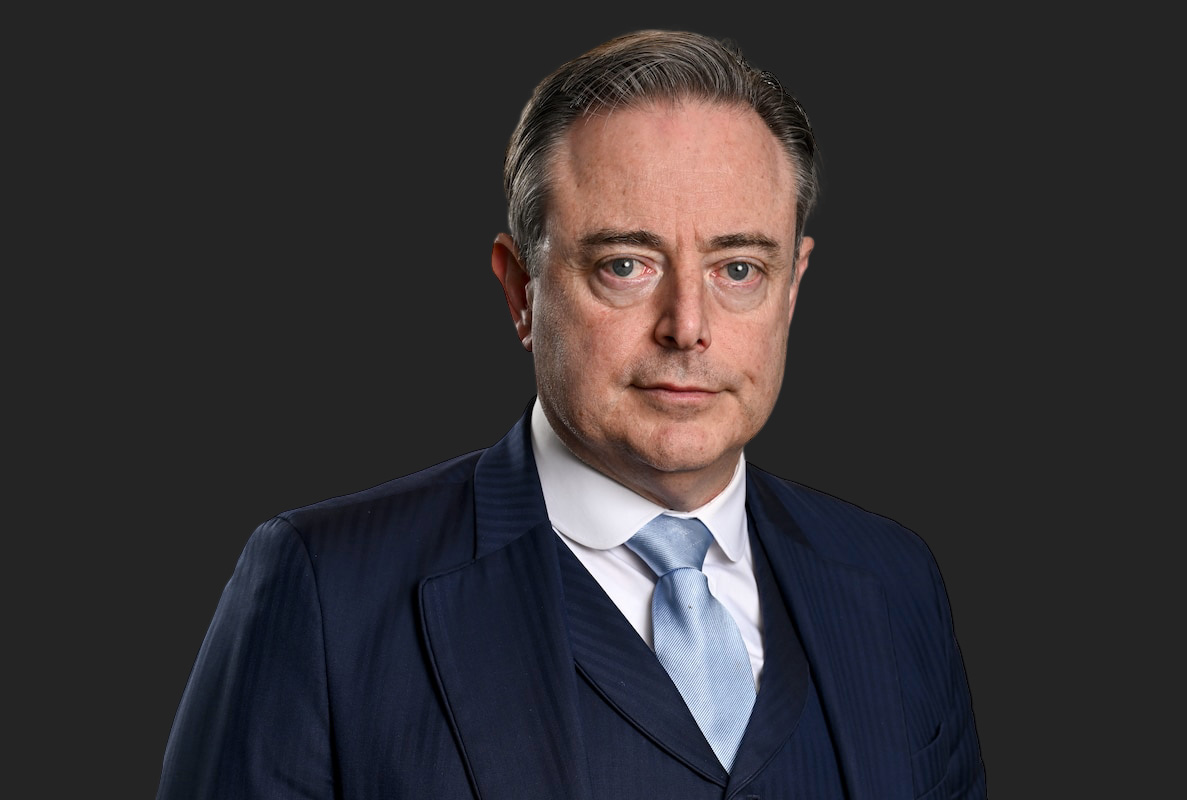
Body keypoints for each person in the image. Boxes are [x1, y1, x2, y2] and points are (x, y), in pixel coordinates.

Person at [158, 29, 986, 799]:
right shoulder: (327, 592)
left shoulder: (895, 582)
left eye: (738, 268)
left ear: (792, 286)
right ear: (521, 290)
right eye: (625, 264)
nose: (687, 326)